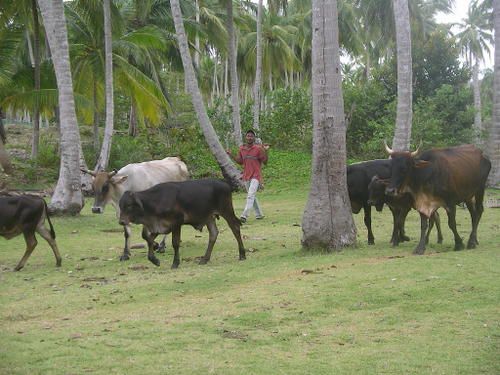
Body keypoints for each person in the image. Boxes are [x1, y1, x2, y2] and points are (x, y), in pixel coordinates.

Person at [227, 129, 269, 223]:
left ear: (254, 138)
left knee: (250, 195)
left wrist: (266, 151)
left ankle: (244, 215)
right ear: (245, 137)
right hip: (246, 176)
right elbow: (240, 161)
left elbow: (265, 162)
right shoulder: (242, 149)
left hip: (256, 176)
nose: (249, 137)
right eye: (248, 136)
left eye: (251, 136)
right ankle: (259, 214)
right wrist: (231, 155)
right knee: (252, 196)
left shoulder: (258, 149)